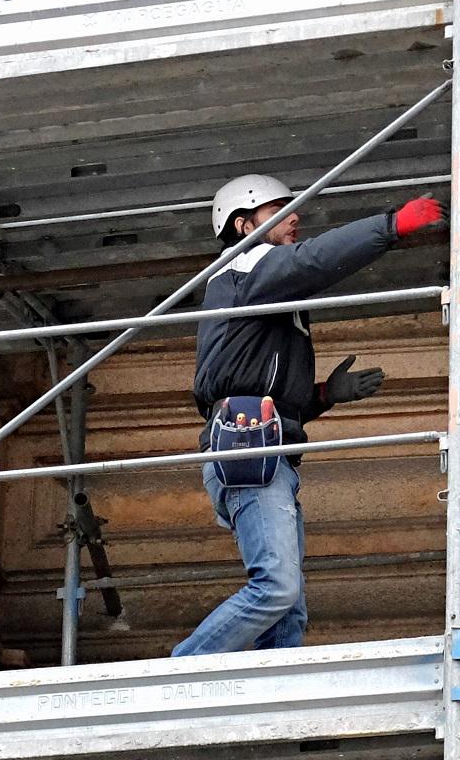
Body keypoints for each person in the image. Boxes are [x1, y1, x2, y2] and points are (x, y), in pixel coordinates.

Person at [174, 175, 444, 657]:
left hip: (264, 444)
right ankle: (183, 671)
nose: (294, 215)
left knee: (288, 607)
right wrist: (390, 226)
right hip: (248, 446)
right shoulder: (245, 265)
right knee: (277, 588)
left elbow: (257, 384)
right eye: (278, 209)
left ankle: (272, 699)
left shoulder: (260, 292)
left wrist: (321, 396)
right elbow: (314, 262)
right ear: (243, 225)